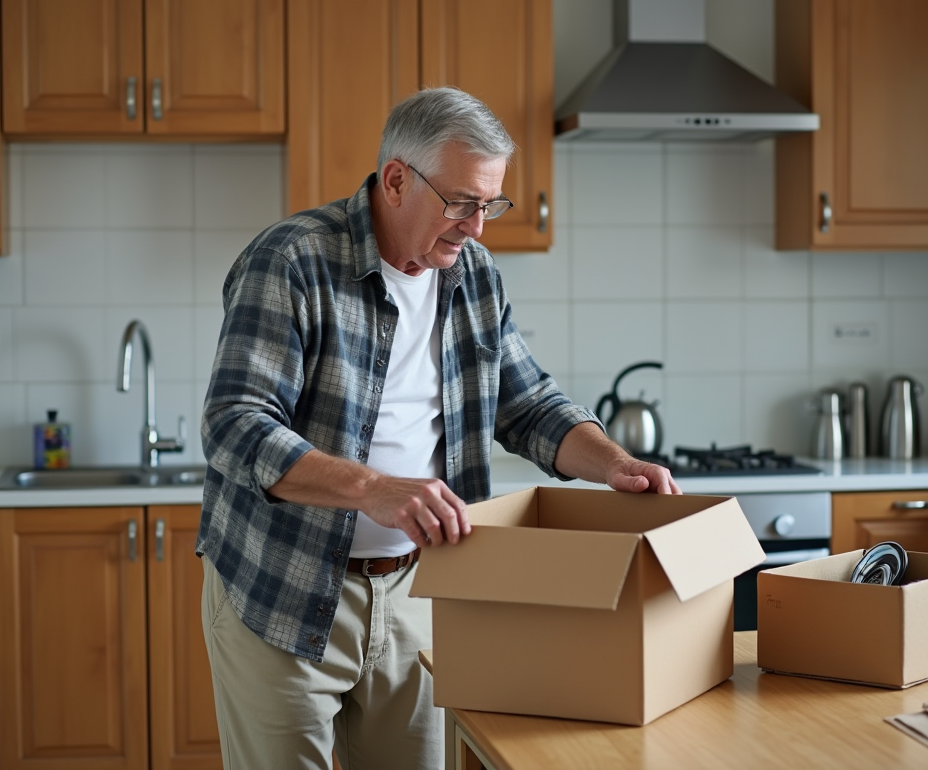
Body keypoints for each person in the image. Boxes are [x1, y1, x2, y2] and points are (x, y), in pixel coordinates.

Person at [197, 86, 681, 770]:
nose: (477, 226)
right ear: (396, 180)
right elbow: (234, 426)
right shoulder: (292, 260)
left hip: (421, 591)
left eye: (490, 204)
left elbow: (529, 404)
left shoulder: (475, 275)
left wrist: (612, 464)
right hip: (285, 588)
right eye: (461, 202)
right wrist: (375, 489)